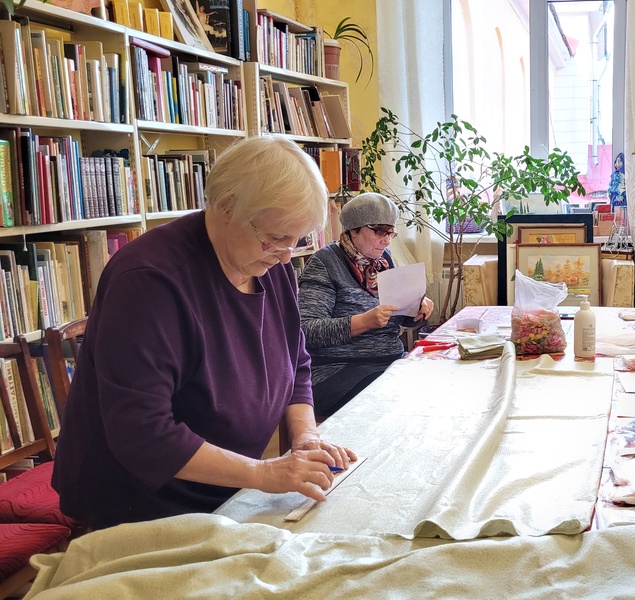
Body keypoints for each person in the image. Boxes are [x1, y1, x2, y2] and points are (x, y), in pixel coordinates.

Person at [52, 137, 358, 530]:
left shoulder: (269, 262)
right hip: (141, 506)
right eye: (277, 238)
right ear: (227, 206)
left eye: (297, 241)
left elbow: (296, 361)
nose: (287, 255)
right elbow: (143, 434)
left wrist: (306, 436)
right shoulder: (148, 282)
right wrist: (264, 474)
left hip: (226, 491)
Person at [298, 192, 433, 418]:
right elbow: (306, 331)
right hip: (337, 369)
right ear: (354, 229)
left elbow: (395, 312)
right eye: (379, 231)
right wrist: (363, 322)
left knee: (437, 385)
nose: (387, 240)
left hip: (389, 362)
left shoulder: (383, 260)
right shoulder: (324, 262)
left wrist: (416, 308)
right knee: (403, 401)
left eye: (391, 232)